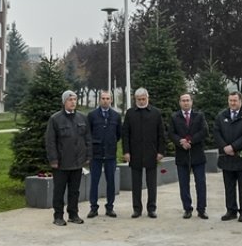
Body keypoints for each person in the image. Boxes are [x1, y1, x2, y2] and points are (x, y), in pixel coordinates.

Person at [45, 90, 91, 226]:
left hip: (77, 163)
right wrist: (53, 160)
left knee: (74, 191)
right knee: (59, 191)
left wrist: (88, 156)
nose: (73, 102)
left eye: (75, 100)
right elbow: (50, 141)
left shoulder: (82, 118)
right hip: (61, 163)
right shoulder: (55, 119)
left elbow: (88, 138)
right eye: (70, 100)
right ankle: (58, 216)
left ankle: (73, 214)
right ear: (64, 102)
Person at [122, 88, 166, 218]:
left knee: (152, 184)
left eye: (143, 99)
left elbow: (161, 134)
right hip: (135, 153)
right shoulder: (130, 113)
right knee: (136, 184)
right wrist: (126, 151)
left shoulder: (156, 113)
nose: (141, 102)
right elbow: (125, 134)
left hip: (151, 153)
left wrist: (161, 151)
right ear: (135, 100)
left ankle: (151, 208)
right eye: (139, 99)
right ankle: (137, 209)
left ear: (148, 98)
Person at [216, 91, 242, 222]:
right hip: (226, 157)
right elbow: (217, 132)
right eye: (230, 100)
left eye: (235, 100)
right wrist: (225, 147)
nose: (232, 103)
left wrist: (233, 147)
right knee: (229, 185)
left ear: (240, 101)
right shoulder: (221, 116)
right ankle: (231, 210)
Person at [170, 93, 208, 219]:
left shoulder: (199, 116)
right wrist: (180, 141)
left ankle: (201, 209)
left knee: (200, 183)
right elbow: (171, 133)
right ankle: (187, 208)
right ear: (179, 102)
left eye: (188, 100)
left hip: (197, 154)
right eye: (183, 100)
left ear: (192, 102)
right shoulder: (175, 117)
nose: (186, 103)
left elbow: (204, 131)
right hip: (182, 155)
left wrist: (190, 141)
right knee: (184, 184)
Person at [87, 90, 121, 218]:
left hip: (110, 154)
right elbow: (88, 133)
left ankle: (110, 207)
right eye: (103, 98)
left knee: (111, 181)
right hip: (96, 154)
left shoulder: (116, 116)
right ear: (99, 100)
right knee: (94, 181)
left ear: (111, 100)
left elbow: (118, 134)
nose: (105, 100)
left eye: (108, 98)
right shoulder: (92, 115)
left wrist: (110, 142)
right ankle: (93, 208)